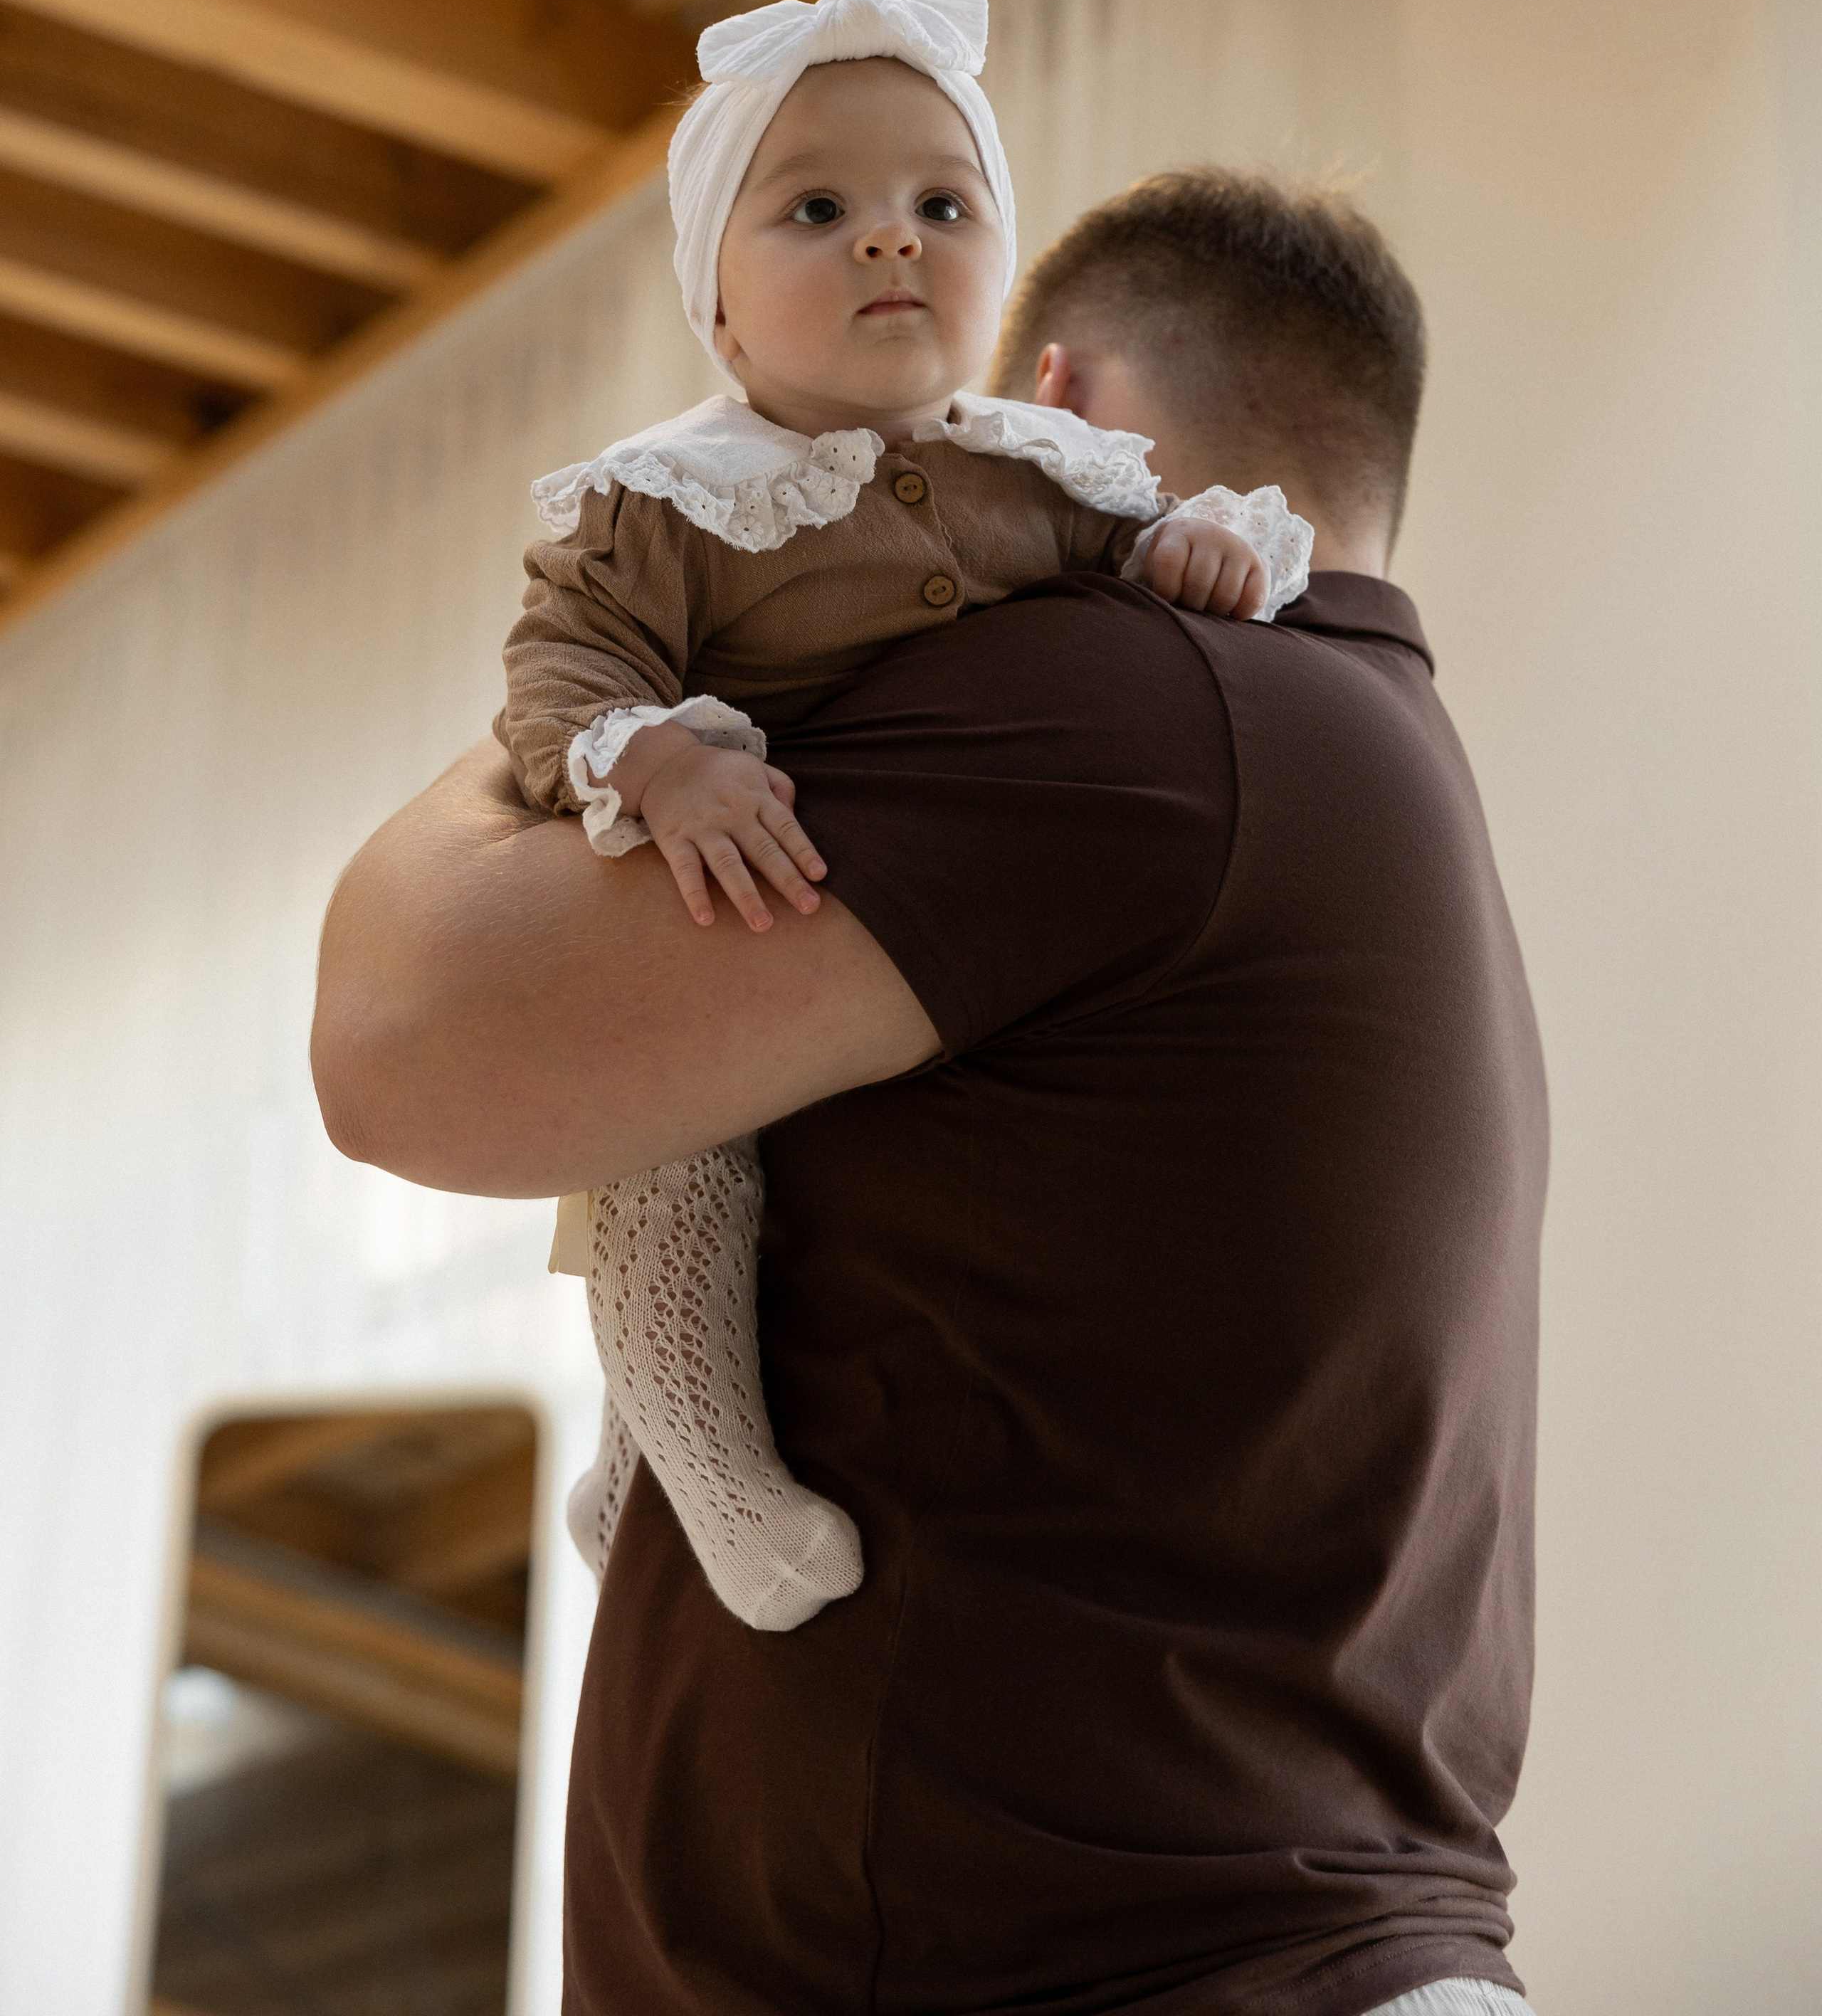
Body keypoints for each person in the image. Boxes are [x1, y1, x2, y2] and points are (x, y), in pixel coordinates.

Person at [312, 164, 1549, 2016]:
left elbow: (400, 1039)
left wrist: (655, 639)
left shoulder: (1133, 703)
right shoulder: (1351, 760)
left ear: (1046, 416)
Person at [498, 0, 1307, 1632]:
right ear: (716, 311)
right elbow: (554, 686)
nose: (891, 239)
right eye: (816, 209)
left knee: (820, 1213)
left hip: (908, 955)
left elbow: (1135, 563)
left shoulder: (1044, 472)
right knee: (672, 1158)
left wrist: (1190, 556)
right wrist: (658, 759)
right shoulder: (664, 508)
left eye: (942, 204)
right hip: (716, 914)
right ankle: (706, 1479)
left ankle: (623, 1461)